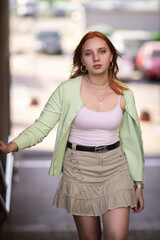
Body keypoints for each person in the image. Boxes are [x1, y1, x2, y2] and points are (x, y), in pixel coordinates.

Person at [0, 31, 145, 240]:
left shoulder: (125, 94)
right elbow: (42, 126)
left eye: (102, 51)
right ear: (82, 60)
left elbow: (133, 143)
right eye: (88, 53)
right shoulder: (67, 90)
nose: (96, 58)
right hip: (79, 170)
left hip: (116, 169)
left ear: (111, 55)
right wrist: (10, 147)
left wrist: (138, 184)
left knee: (118, 237)